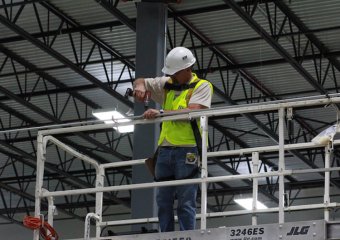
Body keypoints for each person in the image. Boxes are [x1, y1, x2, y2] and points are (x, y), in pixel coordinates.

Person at [133, 46, 213, 232]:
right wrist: (138, 88)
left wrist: (160, 113)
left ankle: (188, 236)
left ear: (187, 69)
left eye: (176, 73)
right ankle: (165, 236)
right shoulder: (168, 83)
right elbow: (142, 81)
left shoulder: (202, 86)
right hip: (165, 150)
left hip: (188, 148)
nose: (173, 77)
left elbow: (192, 112)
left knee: (186, 201)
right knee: (163, 200)